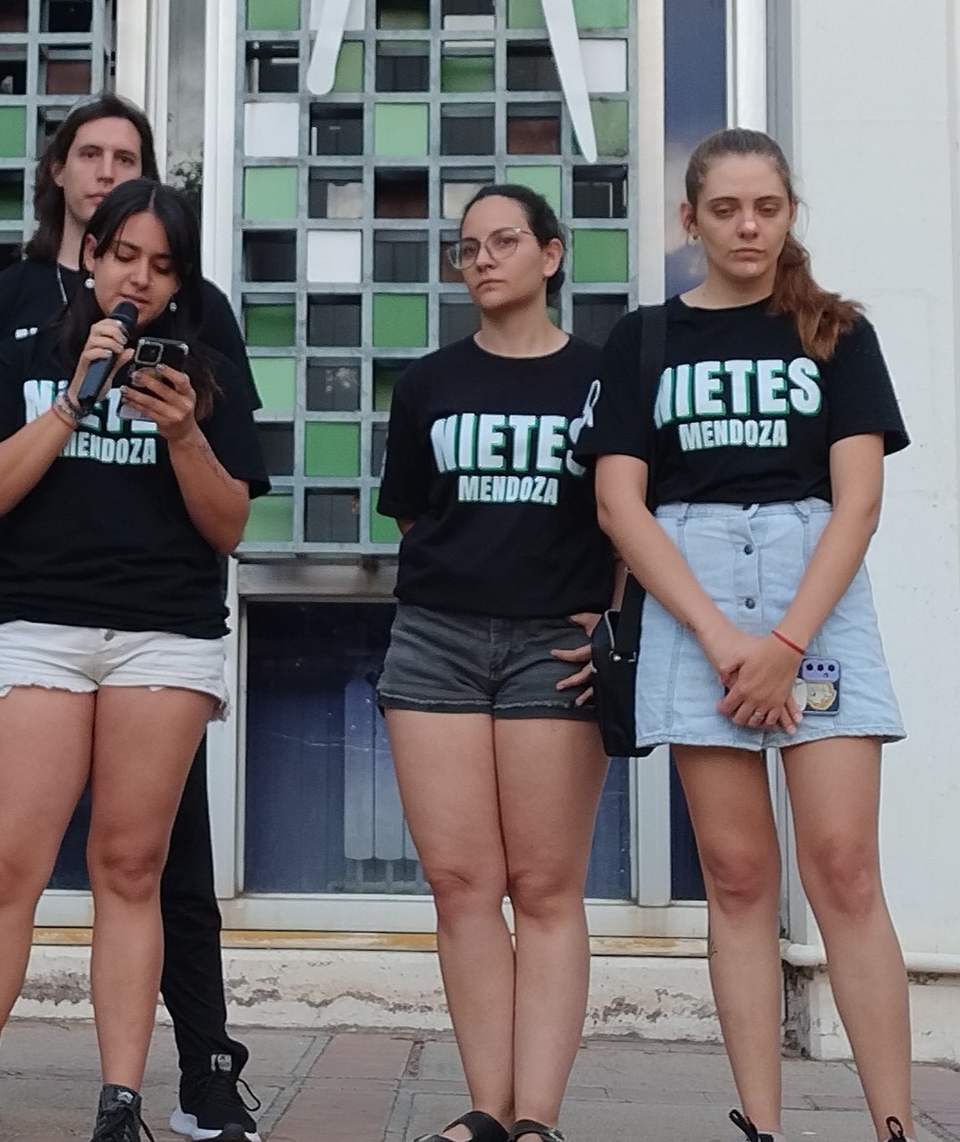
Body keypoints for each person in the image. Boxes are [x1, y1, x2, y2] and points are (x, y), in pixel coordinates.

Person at [0, 95, 263, 1142]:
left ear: (179, 281)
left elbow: (227, 520)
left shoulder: (207, 373)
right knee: (4, 868)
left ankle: (121, 1098)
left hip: (162, 633)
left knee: (129, 869)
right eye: (121, 254)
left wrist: (183, 431)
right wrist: (70, 401)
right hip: (36, 627)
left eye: (160, 263)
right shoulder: (17, 358)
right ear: (89, 256)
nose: (137, 275)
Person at [577, 129, 915, 1142]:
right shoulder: (644, 339)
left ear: (788, 211)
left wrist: (782, 639)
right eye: (723, 208)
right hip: (694, 600)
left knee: (844, 862)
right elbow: (617, 504)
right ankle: (761, 1124)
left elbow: (855, 503)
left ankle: (893, 1120)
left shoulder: (835, 333)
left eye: (764, 206)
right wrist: (725, 638)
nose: (746, 226)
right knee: (733, 873)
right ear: (688, 219)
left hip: (813, 588)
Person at [372, 184, 615, 1142]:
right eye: (466, 247)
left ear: (551, 256)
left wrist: (611, 621)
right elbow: (410, 511)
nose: (482, 260)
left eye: (504, 241)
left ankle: (538, 1120)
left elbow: (627, 516)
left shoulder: (603, 378)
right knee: (462, 885)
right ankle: (486, 1110)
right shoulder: (428, 382)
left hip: (553, 645)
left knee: (547, 889)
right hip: (436, 638)